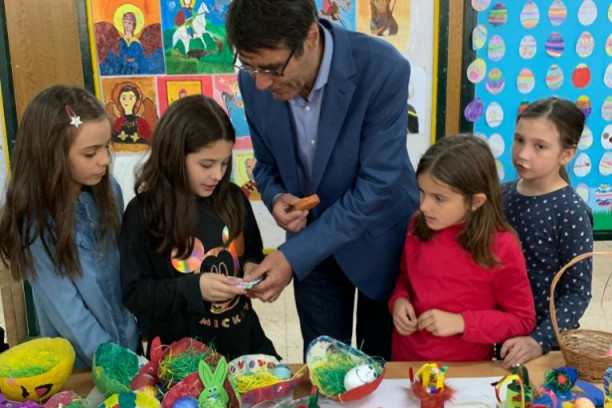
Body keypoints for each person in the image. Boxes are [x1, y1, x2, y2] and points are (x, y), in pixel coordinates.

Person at [226, 0, 419, 360]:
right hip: (313, 248)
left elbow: (377, 184)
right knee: (324, 362)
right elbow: (265, 164)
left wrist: (292, 256)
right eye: (250, 66)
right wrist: (275, 196)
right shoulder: (253, 82)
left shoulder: (382, 68)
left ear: (310, 37)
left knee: (380, 362)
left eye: (272, 69)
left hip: (380, 237)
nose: (261, 82)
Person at [119, 95, 279, 361]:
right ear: (173, 155)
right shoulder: (144, 213)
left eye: (224, 163)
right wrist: (195, 289)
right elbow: (136, 295)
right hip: (180, 363)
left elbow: (252, 253)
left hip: (244, 347)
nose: (218, 174)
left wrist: (253, 270)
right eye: (206, 165)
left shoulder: (234, 198)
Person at [0, 85, 139, 367]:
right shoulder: (35, 223)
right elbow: (69, 313)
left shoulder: (109, 191)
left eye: (106, 146)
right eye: (90, 153)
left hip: (130, 349)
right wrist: (115, 362)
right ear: (52, 155)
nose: (104, 160)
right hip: (84, 365)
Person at [389, 135, 536, 362]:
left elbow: (522, 320)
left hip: (463, 371)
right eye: (422, 192)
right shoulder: (418, 224)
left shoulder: (502, 245)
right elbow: (406, 279)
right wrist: (399, 300)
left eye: (439, 198)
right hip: (405, 360)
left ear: (476, 201)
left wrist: (462, 323)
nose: (424, 206)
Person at [500, 97, 593, 368]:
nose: (522, 154)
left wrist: (538, 340)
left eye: (539, 146)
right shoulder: (502, 193)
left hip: (542, 346)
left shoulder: (571, 211)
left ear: (566, 155)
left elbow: (577, 293)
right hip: (497, 331)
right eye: (519, 140)